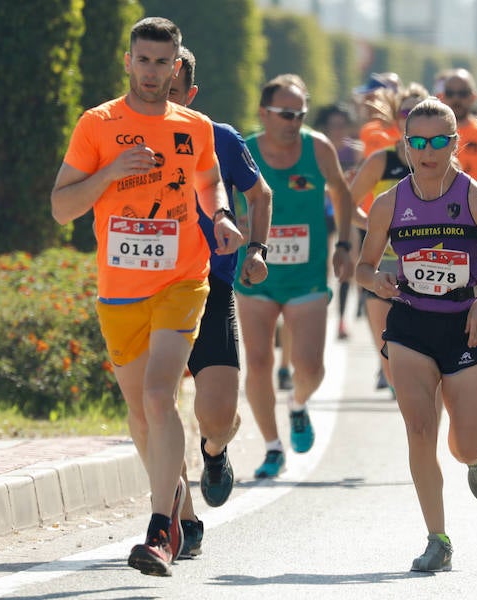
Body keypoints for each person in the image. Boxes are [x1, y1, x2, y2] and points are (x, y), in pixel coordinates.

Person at [50, 17, 248, 577]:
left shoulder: (196, 126)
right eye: (144, 60)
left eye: (164, 63)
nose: (153, 72)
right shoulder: (98, 124)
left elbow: (209, 183)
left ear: (177, 66)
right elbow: (62, 207)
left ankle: (160, 531)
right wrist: (111, 171)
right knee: (140, 414)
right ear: (129, 62)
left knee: (161, 396)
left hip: (183, 280)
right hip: (119, 292)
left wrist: (223, 216)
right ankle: (178, 504)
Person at [356, 97, 477, 572]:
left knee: (464, 444)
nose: (427, 150)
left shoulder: (476, 199)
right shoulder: (389, 203)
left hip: (465, 327)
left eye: (438, 141)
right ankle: (438, 538)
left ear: (455, 144)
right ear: (406, 145)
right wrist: (377, 281)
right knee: (419, 430)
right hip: (410, 324)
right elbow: (364, 267)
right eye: (418, 142)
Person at [166, 46, 272, 557]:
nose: (162, 96)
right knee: (156, 408)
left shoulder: (220, 138)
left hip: (212, 287)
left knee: (216, 413)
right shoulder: (121, 134)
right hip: (146, 290)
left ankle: (215, 450)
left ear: (190, 92)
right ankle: (181, 517)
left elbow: (261, 195)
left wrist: (257, 249)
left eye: (173, 88)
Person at [233, 74, 354, 479]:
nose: (294, 120)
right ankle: (271, 447)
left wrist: (344, 246)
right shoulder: (244, 151)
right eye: (286, 113)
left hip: (307, 277)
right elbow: (219, 200)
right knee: (260, 360)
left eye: (300, 113)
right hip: (255, 275)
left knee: (310, 368)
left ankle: (299, 404)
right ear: (263, 112)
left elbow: (341, 191)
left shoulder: (317, 148)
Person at [349, 83, 428, 392]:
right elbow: (347, 201)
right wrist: (373, 227)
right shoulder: (381, 162)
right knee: (388, 352)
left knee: (423, 354)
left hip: (430, 267)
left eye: (420, 112)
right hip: (385, 266)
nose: (412, 119)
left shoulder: (443, 164)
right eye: (406, 113)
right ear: (396, 121)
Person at [314, 103, 363, 340]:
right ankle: (319, 315)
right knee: (322, 266)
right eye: (333, 125)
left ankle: (342, 320)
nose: (337, 130)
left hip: (345, 211)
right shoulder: (317, 149)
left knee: (347, 265)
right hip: (321, 212)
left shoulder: (356, 152)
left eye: (342, 125)